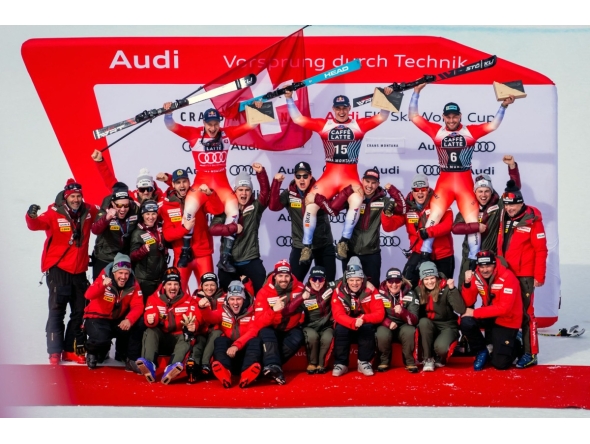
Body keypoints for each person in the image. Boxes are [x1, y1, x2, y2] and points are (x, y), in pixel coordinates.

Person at [409, 83, 516, 267]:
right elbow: (413, 116)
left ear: (460, 116)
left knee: (472, 222)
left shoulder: (470, 131)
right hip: (445, 181)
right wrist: (416, 92)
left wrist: (503, 106)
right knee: (433, 217)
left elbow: (493, 125)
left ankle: (475, 261)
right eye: (448, 117)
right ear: (443, 117)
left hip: (465, 182)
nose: (451, 120)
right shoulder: (437, 130)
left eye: (455, 116)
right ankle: (424, 256)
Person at [284, 88, 393, 261]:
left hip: (349, 178)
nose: (341, 111)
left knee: (357, 201)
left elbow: (382, 117)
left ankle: (343, 242)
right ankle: (306, 246)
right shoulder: (324, 125)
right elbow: (298, 119)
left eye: (344, 108)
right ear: (333, 110)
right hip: (329, 177)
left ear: (349, 109)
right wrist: (289, 98)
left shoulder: (358, 125)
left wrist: (387, 97)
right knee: (310, 205)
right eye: (338, 108)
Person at [163, 103, 262, 271]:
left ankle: (225, 257)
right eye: (210, 124)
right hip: (201, 184)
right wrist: (168, 113)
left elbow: (251, 125)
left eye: (216, 124)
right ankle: (186, 251)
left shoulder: (227, 134)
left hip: (221, 185)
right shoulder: (194, 134)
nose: (213, 127)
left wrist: (258, 109)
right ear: (204, 124)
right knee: (188, 210)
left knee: (234, 212)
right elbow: (171, 126)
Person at [26, 179, 100, 365]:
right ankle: (54, 351)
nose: (76, 199)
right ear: (66, 198)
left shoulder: (88, 211)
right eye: (73, 196)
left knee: (79, 311)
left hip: (80, 271)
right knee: (57, 311)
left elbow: (104, 212)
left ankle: (69, 350)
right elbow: (35, 225)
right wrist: (31, 216)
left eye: (78, 196)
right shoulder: (53, 212)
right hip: (59, 269)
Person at [320, 167, 406, 287]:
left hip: (371, 253)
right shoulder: (354, 196)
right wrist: (348, 190)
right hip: (349, 251)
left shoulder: (383, 200)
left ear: (378, 184)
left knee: (372, 288)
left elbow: (403, 209)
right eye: (367, 181)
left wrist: (392, 190)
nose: (370, 186)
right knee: (348, 288)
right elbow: (333, 209)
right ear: (362, 180)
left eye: (373, 182)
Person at [497, 180, 548, 368]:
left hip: (525, 275)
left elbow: (541, 250)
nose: (510, 208)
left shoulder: (533, 220)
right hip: (506, 274)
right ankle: (513, 343)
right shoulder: (504, 217)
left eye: (513, 204)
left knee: (527, 314)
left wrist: (539, 276)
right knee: (508, 311)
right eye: (507, 205)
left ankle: (531, 353)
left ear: (521, 202)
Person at [452, 155, 522, 288]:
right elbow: (455, 228)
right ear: (475, 192)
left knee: (492, 295)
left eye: (486, 191)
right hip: (470, 257)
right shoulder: (468, 207)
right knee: (465, 293)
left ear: (491, 191)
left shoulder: (499, 204)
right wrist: (475, 227)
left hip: (491, 257)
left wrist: (512, 167)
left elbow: (515, 188)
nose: (483, 195)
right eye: (480, 191)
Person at [381, 174, 454, 287]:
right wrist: (386, 214)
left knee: (443, 289)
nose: (420, 193)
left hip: (442, 254)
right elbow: (389, 227)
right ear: (412, 191)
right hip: (419, 252)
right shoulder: (407, 206)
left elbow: (448, 225)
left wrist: (429, 232)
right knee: (408, 285)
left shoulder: (439, 201)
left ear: (428, 189)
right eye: (416, 190)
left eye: (423, 189)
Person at [269, 161, 336, 281]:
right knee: (294, 283)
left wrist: (317, 198)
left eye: (305, 176)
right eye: (298, 176)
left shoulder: (320, 189)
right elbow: (274, 206)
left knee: (328, 284)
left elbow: (333, 209)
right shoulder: (290, 192)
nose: (302, 180)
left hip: (323, 245)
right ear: (294, 177)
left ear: (310, 176)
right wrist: (276, 183)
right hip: (300, 246)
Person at [159, 168, 223, 292]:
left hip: (202, 253)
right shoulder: (167, 205)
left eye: (184, 181)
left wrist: (210, 194)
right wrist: (184, 228)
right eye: (178, 182)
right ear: (173, 184)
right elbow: (167, 235)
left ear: (189, 182)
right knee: (177, 291)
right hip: (181, 255)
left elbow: (218, 210)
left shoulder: (198, 196)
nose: (182, 185)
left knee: (208, 291)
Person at [209, 163, 270, 293]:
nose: (244, 193)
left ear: (251, 192)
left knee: (261, 294)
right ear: (235, 191)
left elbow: (265, 193)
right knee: (227, 298)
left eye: (247, 190)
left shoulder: (255, 207)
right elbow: (213, 228)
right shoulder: (226, 207)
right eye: (240, 189)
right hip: (228, 262)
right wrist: (232, 228)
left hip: (250, 260)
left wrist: (261, 173)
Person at [461, 251, 524, 371]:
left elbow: (504, 309)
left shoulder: (508, 277)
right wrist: (467, 284)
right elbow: (468, 302)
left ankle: (515, 341)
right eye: (482, 267)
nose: (485, 270)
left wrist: (474, 312)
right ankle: (482, 350)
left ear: (494, 264)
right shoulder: (477, 275)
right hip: (490, 316)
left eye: (488, 266)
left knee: (500, 364)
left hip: (507, 320)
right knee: (465, 321)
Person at [136, 267, 198, 384]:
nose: (173, 287)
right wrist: (150, 320)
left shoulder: (189, 300)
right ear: (164, 286)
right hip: (161, 340)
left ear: (180, 286)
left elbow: (195, 317)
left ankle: (172, 367)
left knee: (187, 336)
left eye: (176, 284)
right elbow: (150, 314)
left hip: (178, 339)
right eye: (169, 284)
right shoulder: (154, 298)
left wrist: (193, 325)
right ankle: (149, 365)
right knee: (150, 331)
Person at [188, 272, 254, 382]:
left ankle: (206, 365)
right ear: (201, 286)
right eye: (206, 285)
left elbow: (245, 297)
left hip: (218, 331)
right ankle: (193, 367)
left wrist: (247, 283)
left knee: (217, 335)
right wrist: (194, 325)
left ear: (217, 285)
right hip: (201, 330)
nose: (209, 288)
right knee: (198, 342)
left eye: (212, 285)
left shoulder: (225, 297)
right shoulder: (195, 298)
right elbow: (195, 315)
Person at [198, 280, 263, 389]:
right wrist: (203, 309)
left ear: (244, 299)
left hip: (244, 353)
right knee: (220, 340)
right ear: (228, 300)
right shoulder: (223, 309)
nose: (235, 303)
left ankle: (247, 373)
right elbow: (212, 318)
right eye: (232, 299)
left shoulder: (253, 310)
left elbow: (252, 331)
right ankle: (224, 372)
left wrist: (236, 345)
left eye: (238, 299)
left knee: (255, 341)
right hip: (229, 356)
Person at [83, 253, 144, 370]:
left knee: (140, 322)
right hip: (97, 318)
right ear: (114, 272)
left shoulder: (134, 283)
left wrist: (129, 320)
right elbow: (88, 294)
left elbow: (138, 305)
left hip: (117, 319)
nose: (123, 277)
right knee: (101, 339)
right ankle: (92, 352)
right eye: (120, 273)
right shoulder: (104, 277)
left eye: (126, 273)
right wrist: (101, 285)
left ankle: (130, 358)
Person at [330, 257, 385, 377]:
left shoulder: (371, 290)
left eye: (358, 280)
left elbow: (380, 314)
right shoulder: (338, 290)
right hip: (347, 322)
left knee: (368, 327)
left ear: (362, 279)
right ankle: (341, 363)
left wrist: (363, 319)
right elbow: (338, 314)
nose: (354, 283)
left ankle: (364, 362)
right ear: (346, 279)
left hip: (364, 321)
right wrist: (353, 322)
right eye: (351, 280)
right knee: (340, 329)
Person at [255, 260, 305, 385]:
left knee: (298, 337)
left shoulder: (300, 288)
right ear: (275, 275)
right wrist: (273, 310)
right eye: (280, 276)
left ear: (290, 276)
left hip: (291, 328)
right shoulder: (263, 292)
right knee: (265, 332)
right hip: (272, 327)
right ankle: (272, 366)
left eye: (286, 276)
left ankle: (270, 367)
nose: (283, 279)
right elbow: (259, 321)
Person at [415, 261, 466, 372]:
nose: (429, 282)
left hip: (447, 325)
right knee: (423, 322)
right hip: (430, 325)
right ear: (422, 280)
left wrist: (452, 289)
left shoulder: (447, 287)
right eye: (426, 279)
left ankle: (440, 356)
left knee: (441, 348)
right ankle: (428, 358)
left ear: (437, 277)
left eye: (432, 278)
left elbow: (460, 309)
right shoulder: (418, 290)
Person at [287, 266, 334, 374]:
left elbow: (346, 278)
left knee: (327, 338)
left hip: (327, 325)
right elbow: (289, 310)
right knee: (312, 337)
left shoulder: (330, 287)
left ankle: (322, 364)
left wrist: (366, 281)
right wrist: (301, 298)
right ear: (309, 279)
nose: (317, 283)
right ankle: (312, 363)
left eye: (321, 279)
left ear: (325, 279)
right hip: (309, 325)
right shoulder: (304, 292)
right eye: (314, 279)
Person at [91, 182, 139, 280]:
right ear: (113, 204)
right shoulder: (105, 210)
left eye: (126, 205)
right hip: (105, 257)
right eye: (119, 205)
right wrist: (106, 218)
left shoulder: (135, 209)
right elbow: (95, 230)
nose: (122, 209)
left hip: (123, 258)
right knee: (101, 289)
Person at [375, 267, 420, 373]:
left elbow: (415, 320)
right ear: (386, 282)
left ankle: (409, 361)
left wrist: (403, 312)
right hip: (386, 324)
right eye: (390, 281)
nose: (394, 285)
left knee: (410, 331)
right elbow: (375, 314)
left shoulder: (411, 294)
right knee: (381, 333)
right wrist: (388, 323)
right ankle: (383, 360)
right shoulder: (379, 293)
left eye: (397, 281)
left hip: (404, 325)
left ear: (402, 282)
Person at [90, 149, 166, 204]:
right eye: (142, 189)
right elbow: (112, 184)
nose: (146, 192)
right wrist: (100, 162)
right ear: (137, 189)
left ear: (153, 189)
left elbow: (176, 192)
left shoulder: (162, 201)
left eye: (149, 189)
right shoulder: (130, 198)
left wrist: (167, 179)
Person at [130, 199, 168, 298]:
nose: (150, 217)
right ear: (142, 215)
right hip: (144, 280)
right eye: (147, 214)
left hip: (159, 279)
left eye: (153, 214)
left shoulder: (160, 229)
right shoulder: (137, 233)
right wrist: (143, 250)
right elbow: (132, 256)